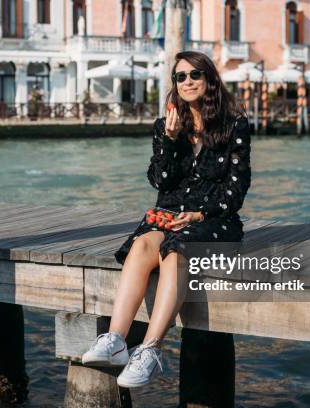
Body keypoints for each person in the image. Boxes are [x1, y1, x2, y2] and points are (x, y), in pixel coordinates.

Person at [81, 50, 251, 388]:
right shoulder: (166, 125)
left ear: (209, 80)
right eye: (180, 76)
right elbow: (160, 180)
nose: (186, 82)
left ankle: (151, 349)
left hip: (214, 220)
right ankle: (115, 340)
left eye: (194, 75)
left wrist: (200, 214)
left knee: (176, 250)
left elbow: (237, 191)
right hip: (169, 215)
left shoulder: (234, 124)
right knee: (143, 244)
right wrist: (170, 141)